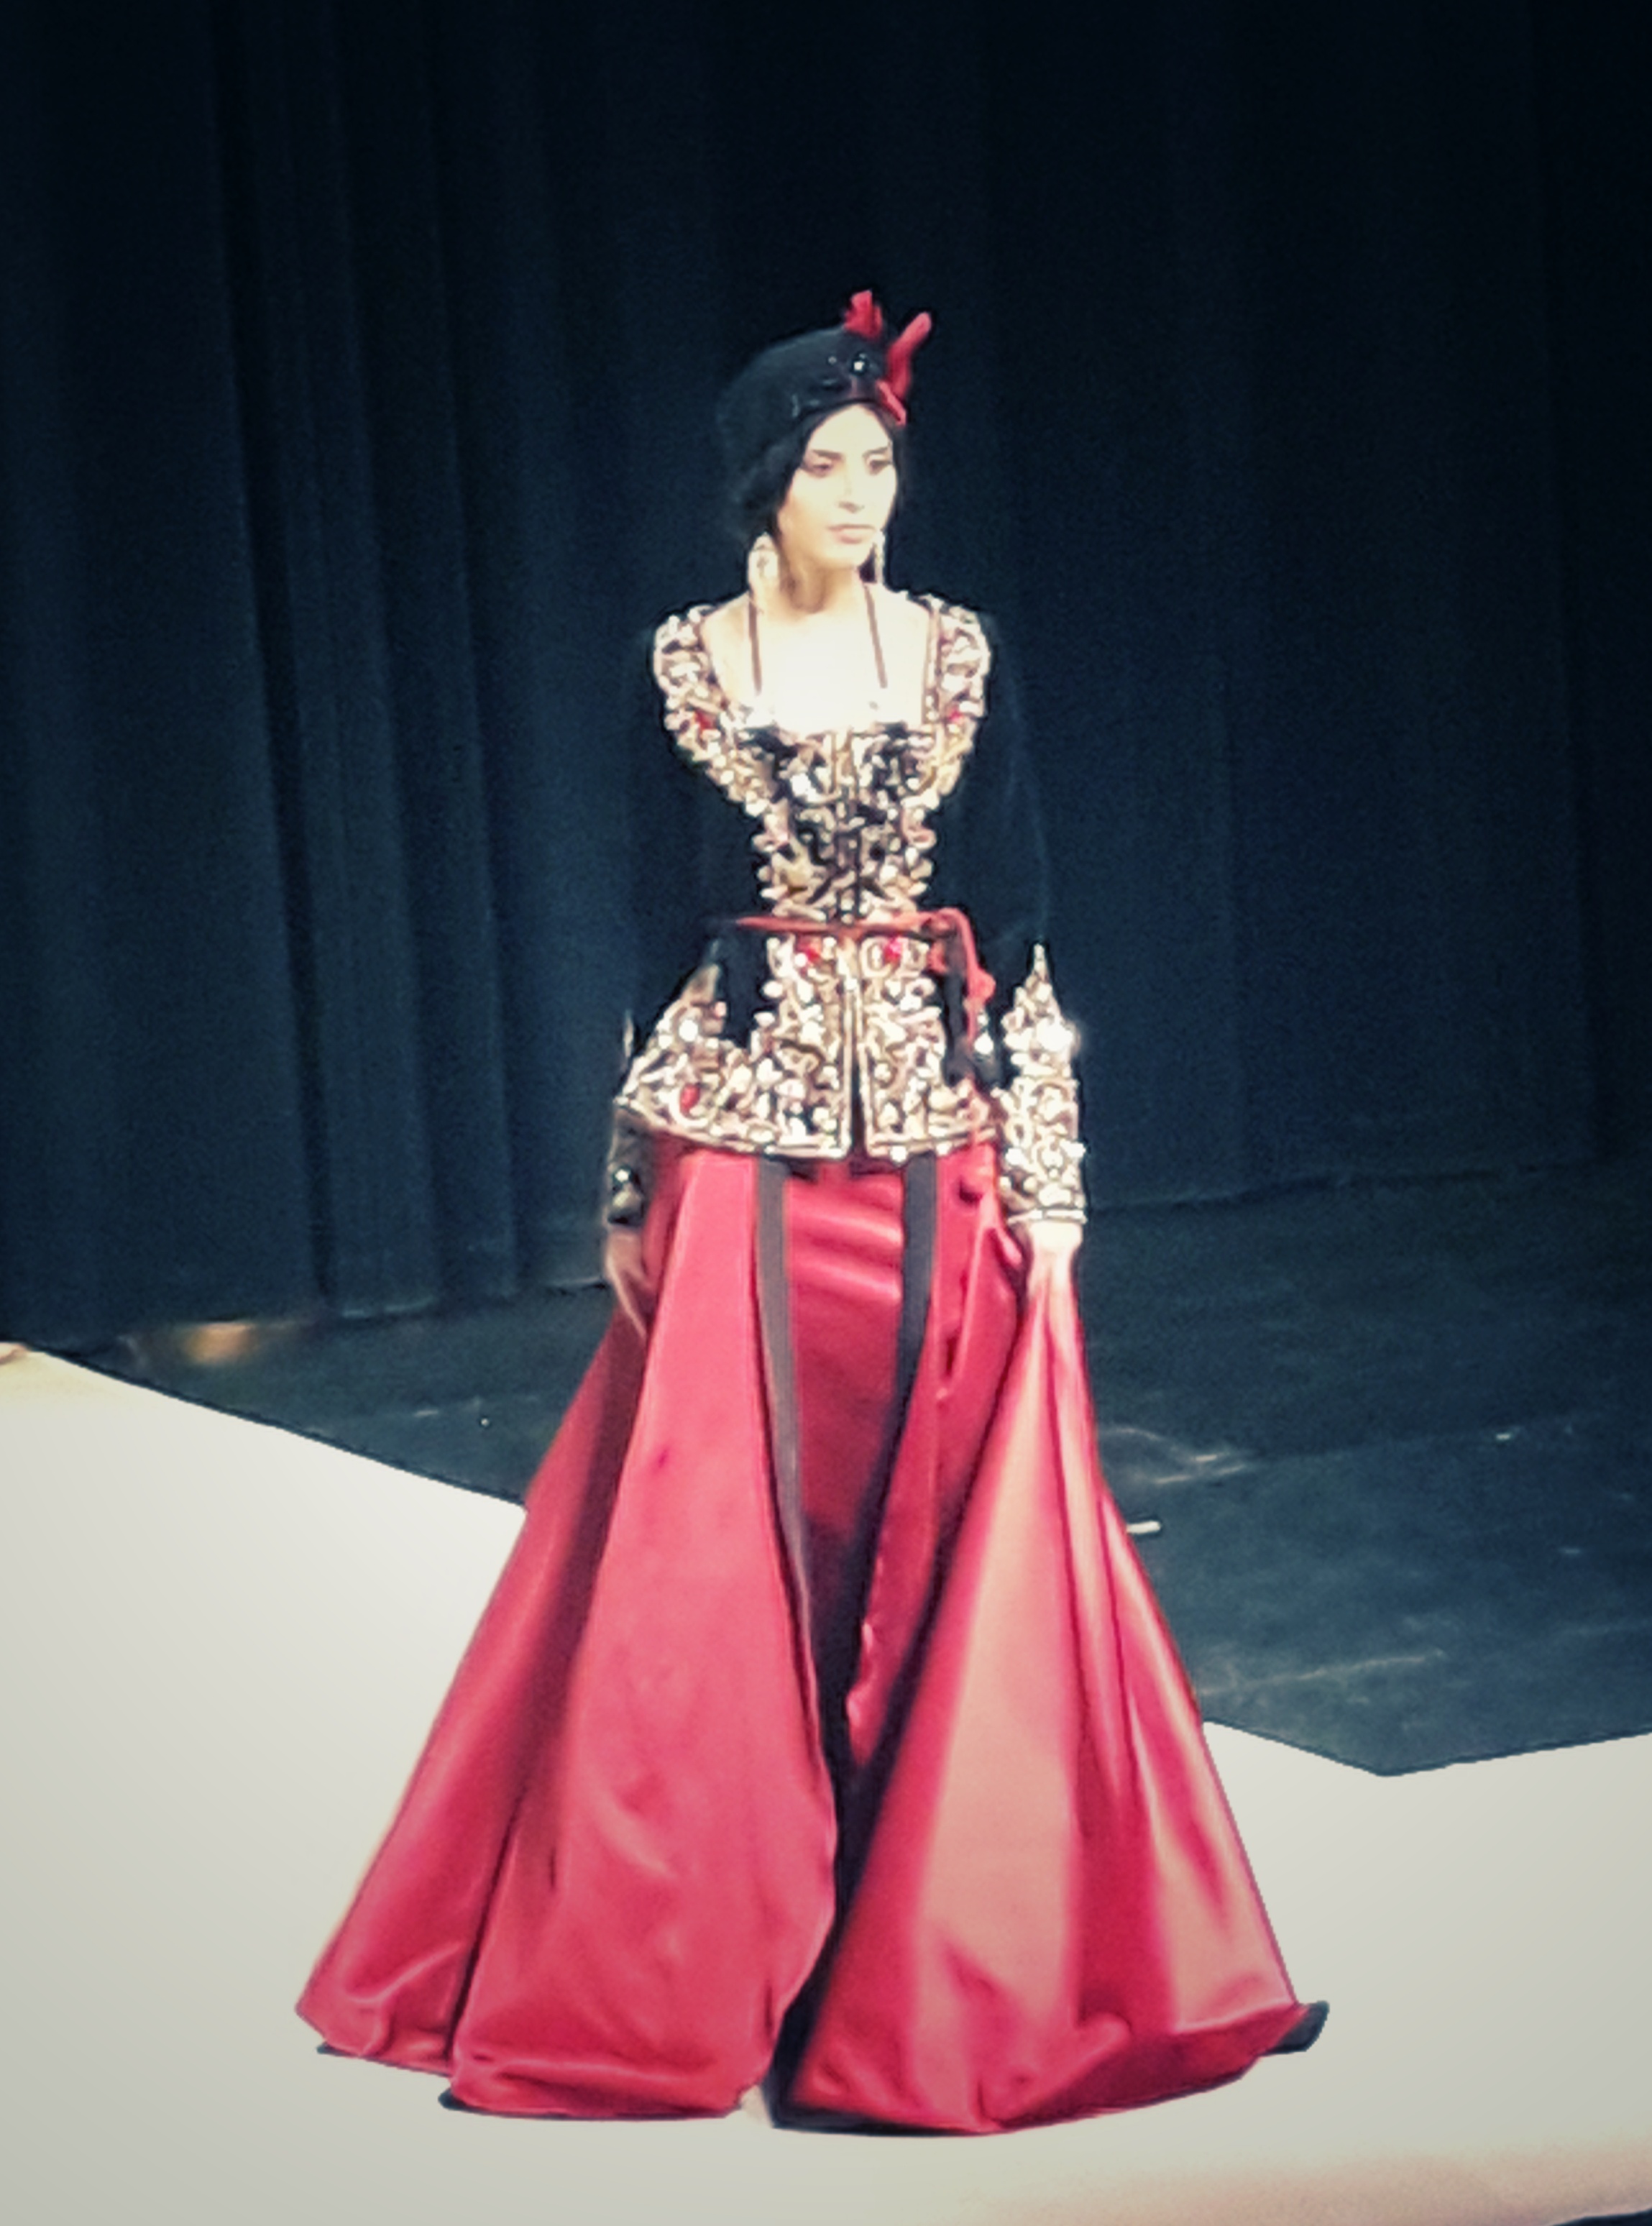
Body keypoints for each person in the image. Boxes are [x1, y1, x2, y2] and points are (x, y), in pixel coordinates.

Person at [299, 293, 1323, 2133]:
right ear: (764, 483)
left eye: (880, 467)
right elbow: (655, 927)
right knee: (704, 1544)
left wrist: (1052, 1171)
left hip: (933, 1132)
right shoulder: (685, 668)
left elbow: (1017, 925)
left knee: (963, 1526)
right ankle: (683, 1953)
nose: (863, 496)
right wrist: (628, 1173)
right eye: (830, 468)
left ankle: (947, 1950)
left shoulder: (957, 656)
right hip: (742, 1140)